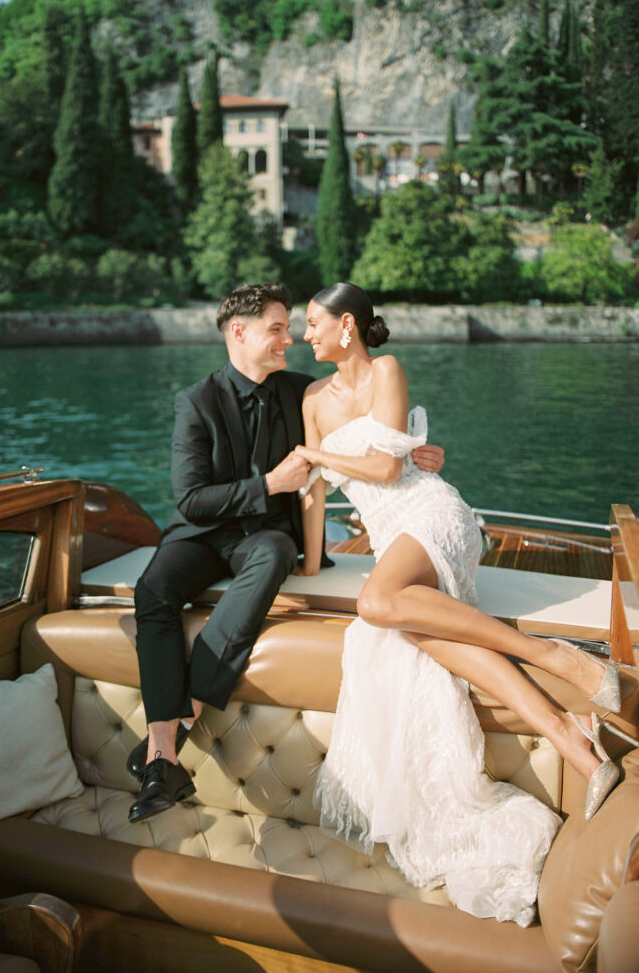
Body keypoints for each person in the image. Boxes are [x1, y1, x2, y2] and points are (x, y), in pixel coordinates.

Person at [294, 282, 630, 926]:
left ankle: (556, 656)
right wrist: (311, 565)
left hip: (433, 514)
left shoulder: (388, 369)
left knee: (379, 604)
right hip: (391, 540)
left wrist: (313, 454)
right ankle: (576, 745)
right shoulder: (312, 399)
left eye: (313, 323)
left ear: (347, 327)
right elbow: (314, 496)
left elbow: (392, 472)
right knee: (415, 631)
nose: (307, 335)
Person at [127, 282, 444, 824]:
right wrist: (269, 484)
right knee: (153, 591)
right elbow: (190, 499)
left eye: (291, 327)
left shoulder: (304, 391)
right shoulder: (196, 402)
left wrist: (416, 454)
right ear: (239, 332)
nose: (290, 339)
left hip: (263, 540)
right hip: (200, 534)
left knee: (274, 552)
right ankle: (165, 753)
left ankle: (170, 734)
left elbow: (371, 426)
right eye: (277, 329)